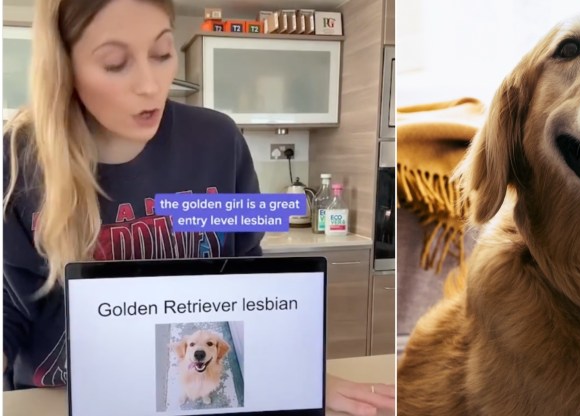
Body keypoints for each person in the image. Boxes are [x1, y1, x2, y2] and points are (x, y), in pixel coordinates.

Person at [2, 0, 394, 414]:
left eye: (162, 53)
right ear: (64, 66)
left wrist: (300, 376)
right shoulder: (18, 159)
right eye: (116, 63)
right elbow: (11, 306)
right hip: (58, 399)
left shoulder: (217, 143)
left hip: (197, 397)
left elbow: (248, 281)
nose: (151, 85)